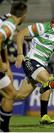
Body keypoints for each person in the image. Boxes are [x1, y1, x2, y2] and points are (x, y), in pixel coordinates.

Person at [15, 10, 54, 124]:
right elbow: (20, 34)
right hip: (31, 61)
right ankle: (44, 113)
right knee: (48, 80)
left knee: (21, 95)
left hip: (41, 65)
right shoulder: (41, 27)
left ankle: (44, 116)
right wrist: (20, 54)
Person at [0, 2, 27, 131]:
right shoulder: (9, 26)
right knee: (9, 94)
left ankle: (4, 129)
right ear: (24, 15)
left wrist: (7, 67)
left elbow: (2, 45)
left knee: (10, 94)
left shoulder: (8, 22)